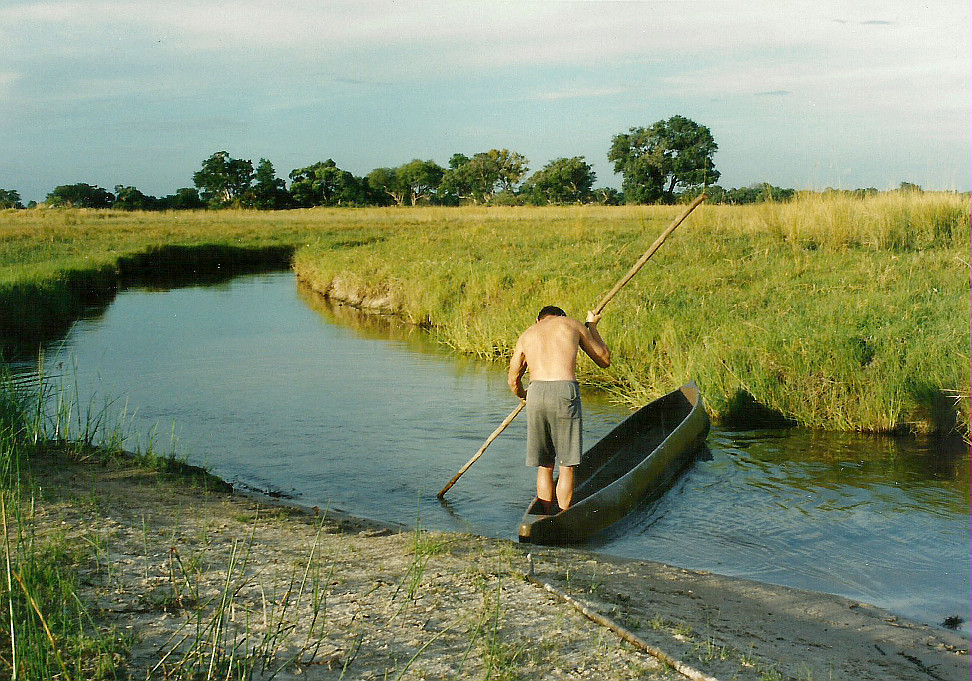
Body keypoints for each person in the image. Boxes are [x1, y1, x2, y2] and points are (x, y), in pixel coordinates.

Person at [507, 305, 610, 513]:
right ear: (560, 316)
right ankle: (562, 515)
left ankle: (543, 515)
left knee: (545, 464)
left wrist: (524, 395)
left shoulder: (527, 334)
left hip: (535, 393)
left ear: (539, 320)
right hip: (564, 391)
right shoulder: (572, 324)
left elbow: (513, 379)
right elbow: (604, 359)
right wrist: (591, 326)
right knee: (567, 464)